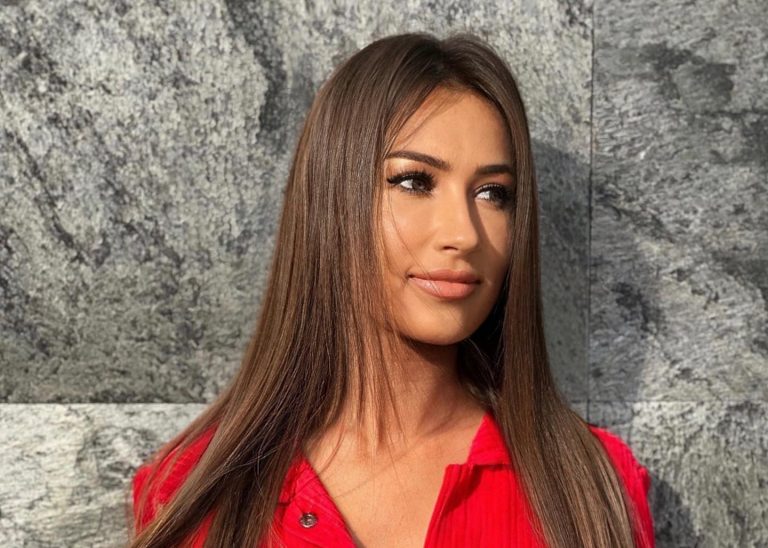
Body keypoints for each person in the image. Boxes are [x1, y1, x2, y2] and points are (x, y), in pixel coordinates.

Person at [128, 31, 654, 548]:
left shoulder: (591, 489)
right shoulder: (192, 495)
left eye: (494, 193)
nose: (464, 234)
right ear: (333, 199)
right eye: (414, 181)